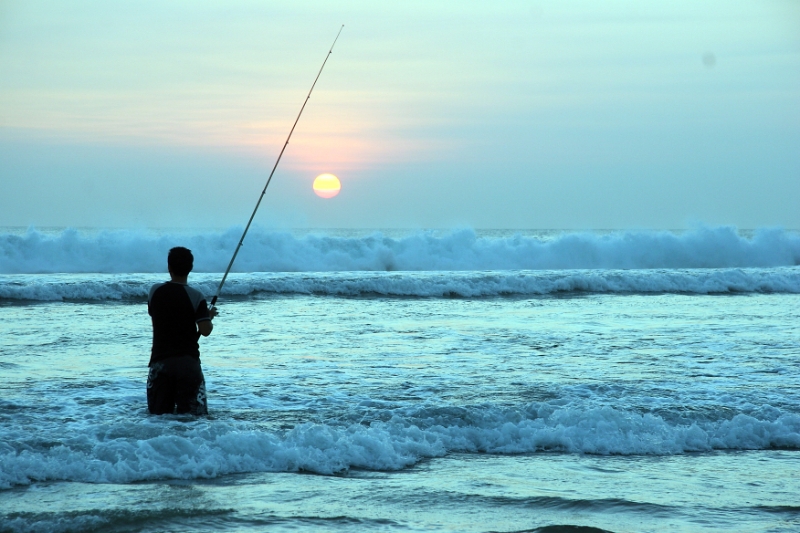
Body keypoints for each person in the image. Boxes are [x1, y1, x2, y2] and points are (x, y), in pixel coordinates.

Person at [146, 246, 217, 415]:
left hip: (160, 363)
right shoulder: (196, 296)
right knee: (194, 419)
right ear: (190, 268)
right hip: (188, 364)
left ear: (169, 267)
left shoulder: (154, 291)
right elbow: (205, 330)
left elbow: (154, 314)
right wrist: (208, 317)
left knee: (158, 418)